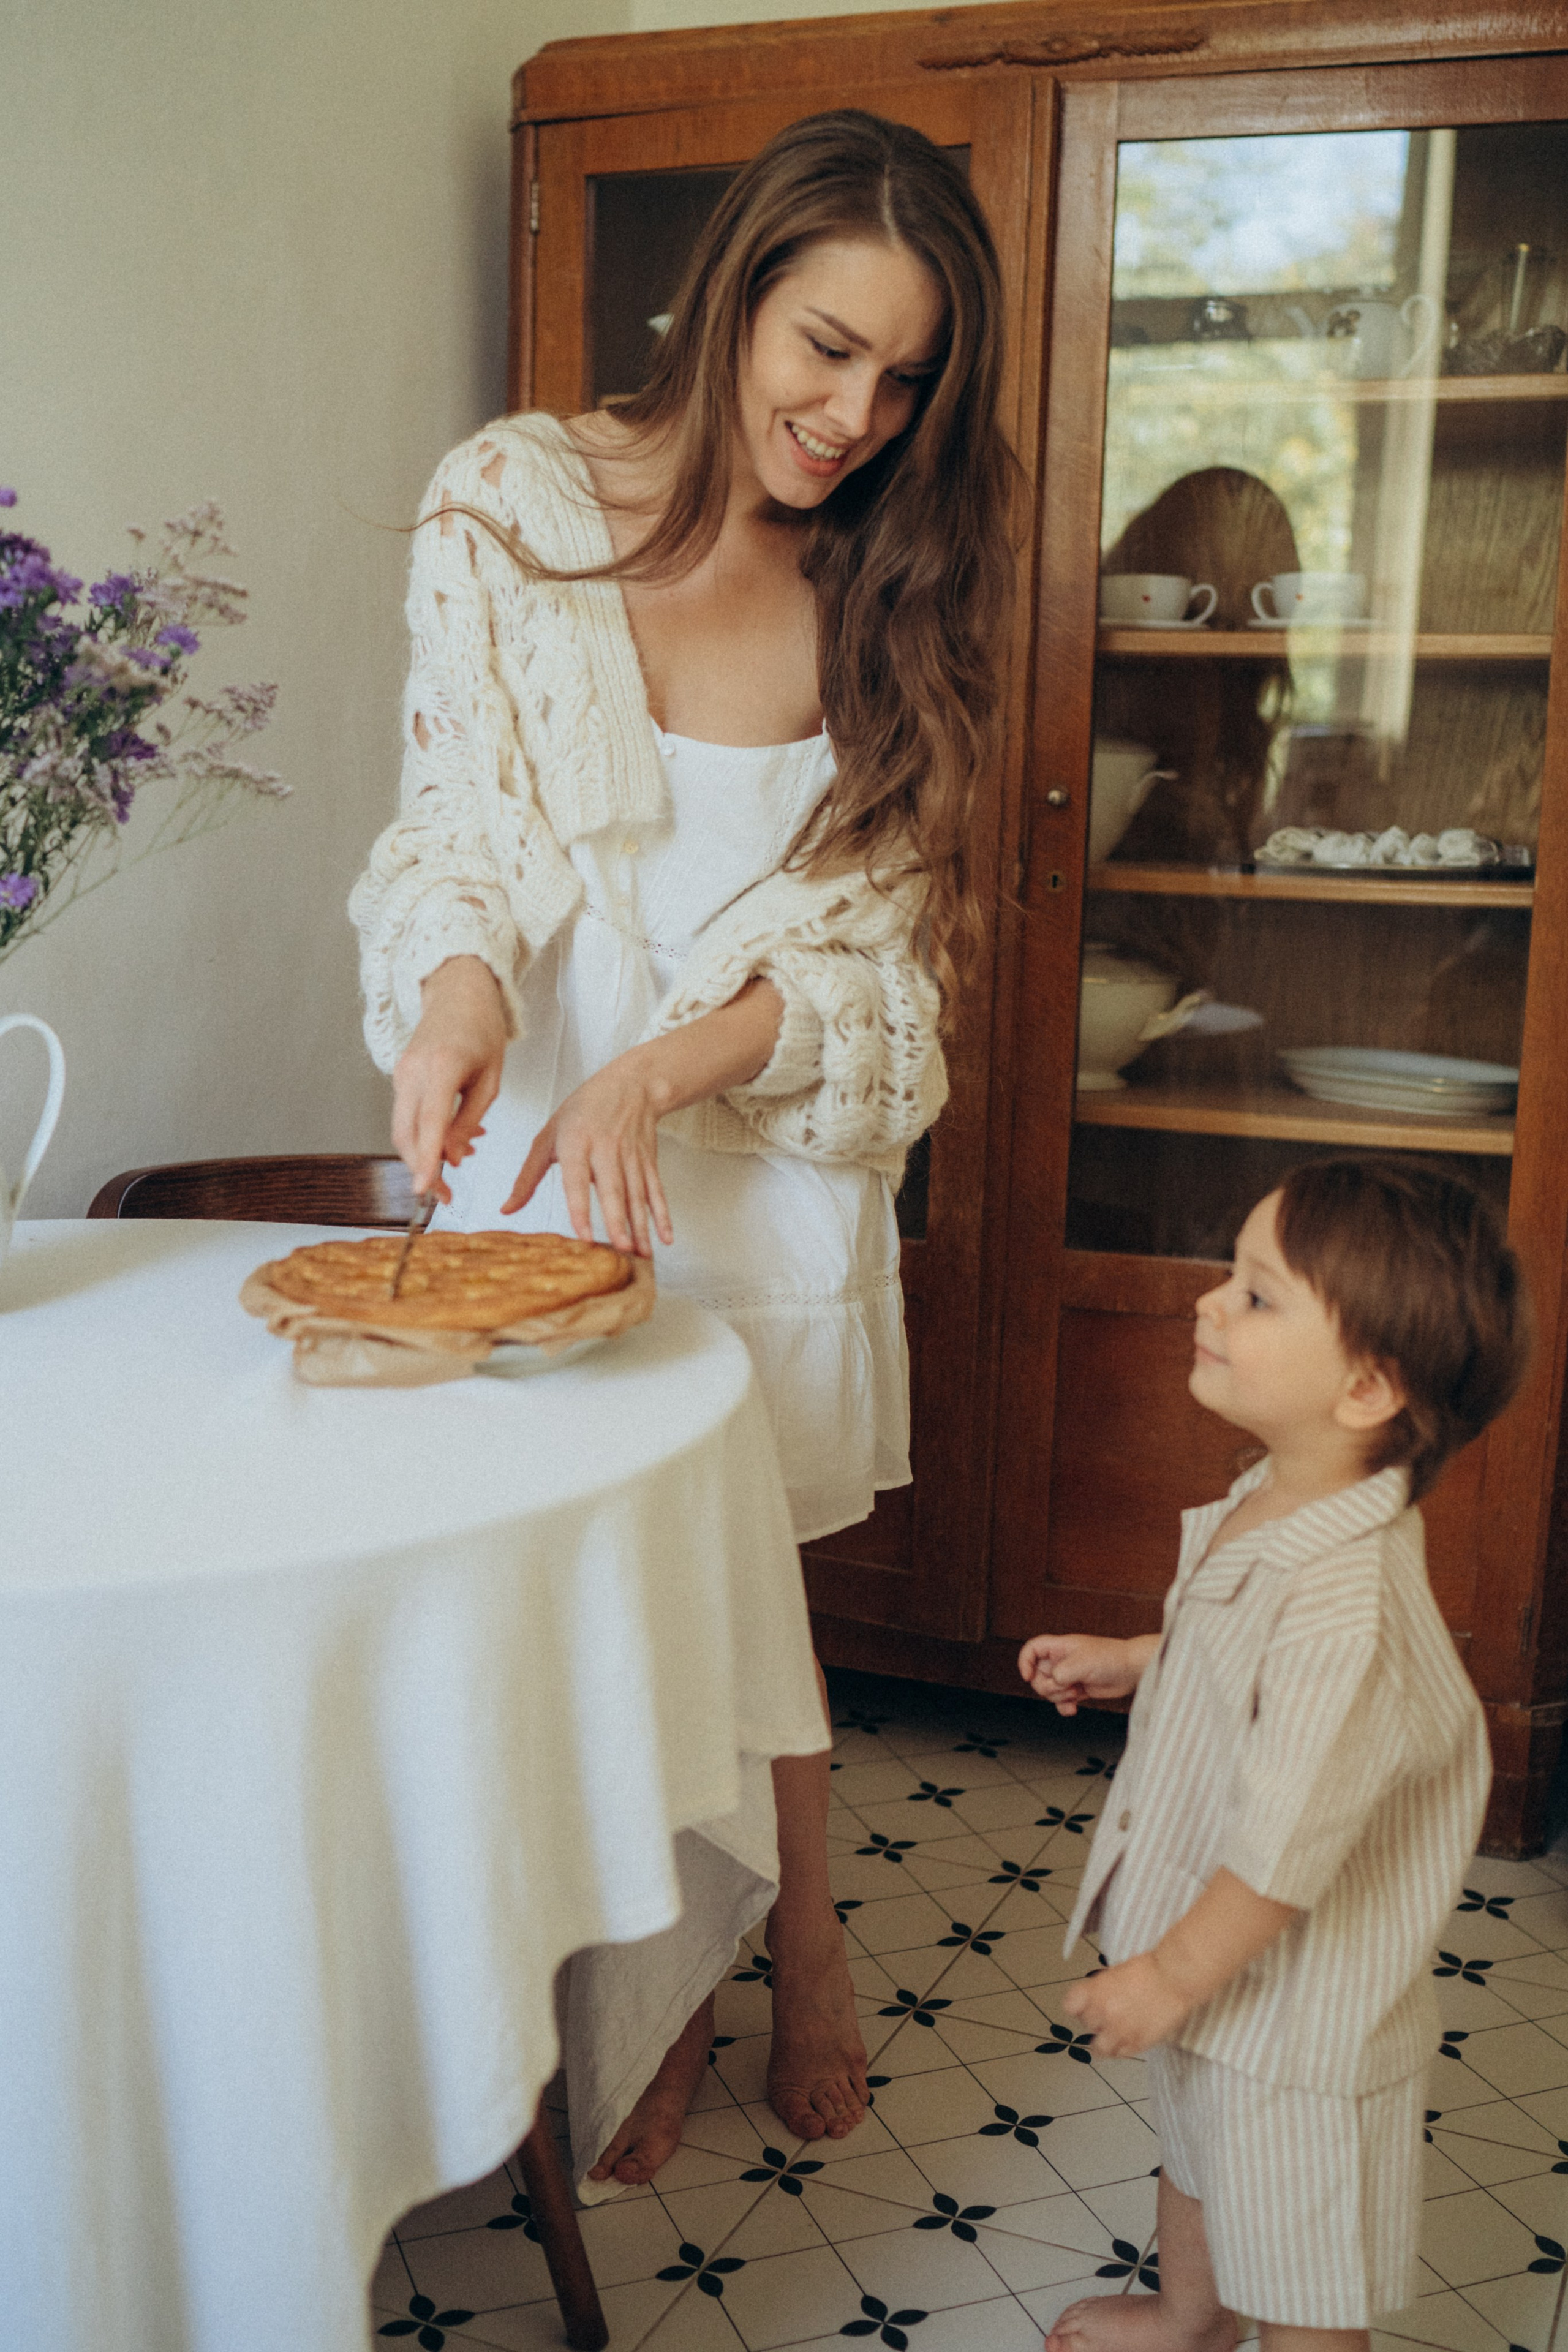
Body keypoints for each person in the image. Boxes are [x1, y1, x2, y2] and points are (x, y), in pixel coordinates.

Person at [349, 109, 1016, 2185]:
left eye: (905, 379)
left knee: (749, 1594)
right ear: (734, 294)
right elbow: (456, 828)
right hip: (549, 1159)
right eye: (827, 347)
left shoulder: (894, 567)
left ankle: (798, 1941)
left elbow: (879, 963)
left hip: (759, 1151)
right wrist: (462, 1003)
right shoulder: (509, 505)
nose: (855, 415)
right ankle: (639, 1983)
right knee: (569, 1598)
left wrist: (663, 1070)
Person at [1017, 1156, 1529, 2352]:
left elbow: (1281, 1853)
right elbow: (1236, 1642)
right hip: (1221, 1982)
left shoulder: (1349, 1611)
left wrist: (1167, 1978)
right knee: (1197, 2153)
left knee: (1301, 2272)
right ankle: (1189, 2316)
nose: (1209, 1301)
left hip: (1298, 2030)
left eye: (1254, 1294)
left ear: (1364, 1387)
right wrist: (1142, 1658)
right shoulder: (1284, 1493)